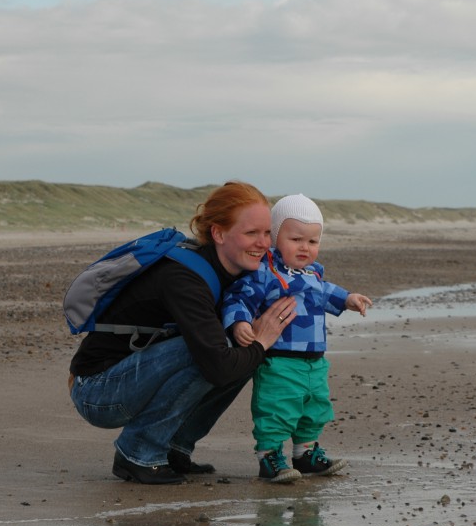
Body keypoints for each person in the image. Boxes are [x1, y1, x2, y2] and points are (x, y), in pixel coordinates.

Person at [68, 181, 296, 485]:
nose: (263, 243)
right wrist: (262, 341)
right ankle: (138, 454)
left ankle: (174, 448)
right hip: (97, 391)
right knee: (227, 349)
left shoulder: (237, 274)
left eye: (267, 233)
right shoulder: (184, 278)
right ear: (218, 233)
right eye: (251, 233)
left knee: (242, 348)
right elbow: (217, 366)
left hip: (133, 378)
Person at [222, 194, 372, 483]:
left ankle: (305, 454)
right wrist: (239, 321)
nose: (305, 247)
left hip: (314, 360)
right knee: (277, 407)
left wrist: (348, 298)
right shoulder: (265, 272)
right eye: (296, 239)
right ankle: (269, 457)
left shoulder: (314, 274)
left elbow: (328, 291)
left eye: (312, 242)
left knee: (315, 406)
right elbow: (238, 298)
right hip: (279, 359)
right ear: (276, 237)